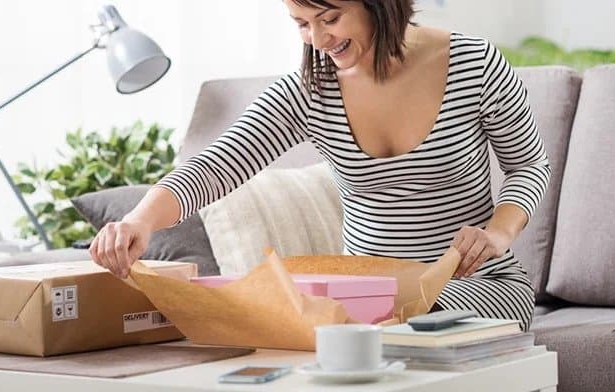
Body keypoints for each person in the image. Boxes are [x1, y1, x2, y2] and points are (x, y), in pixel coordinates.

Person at [90, 0, 550, 331]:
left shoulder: (473, 63)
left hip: (476, 286)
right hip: (367, 296)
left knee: (394, 320)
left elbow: (530, 164)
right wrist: (139, 221)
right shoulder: (311, 89)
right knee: (322, 319)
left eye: (330, 17)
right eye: (302, 23)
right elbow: (217, 165)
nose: (318, 38)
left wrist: (497, 233)